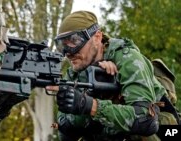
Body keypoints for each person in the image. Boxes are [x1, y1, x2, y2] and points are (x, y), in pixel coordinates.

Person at [46, 10, 170, 141]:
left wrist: (91, 105)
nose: (68, 53)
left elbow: (146, 122)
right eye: (62, 45)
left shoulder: (128, 59)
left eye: (74, 41)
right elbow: (65, 134)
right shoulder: (74, 73)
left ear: (97, 37)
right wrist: (84, 102)